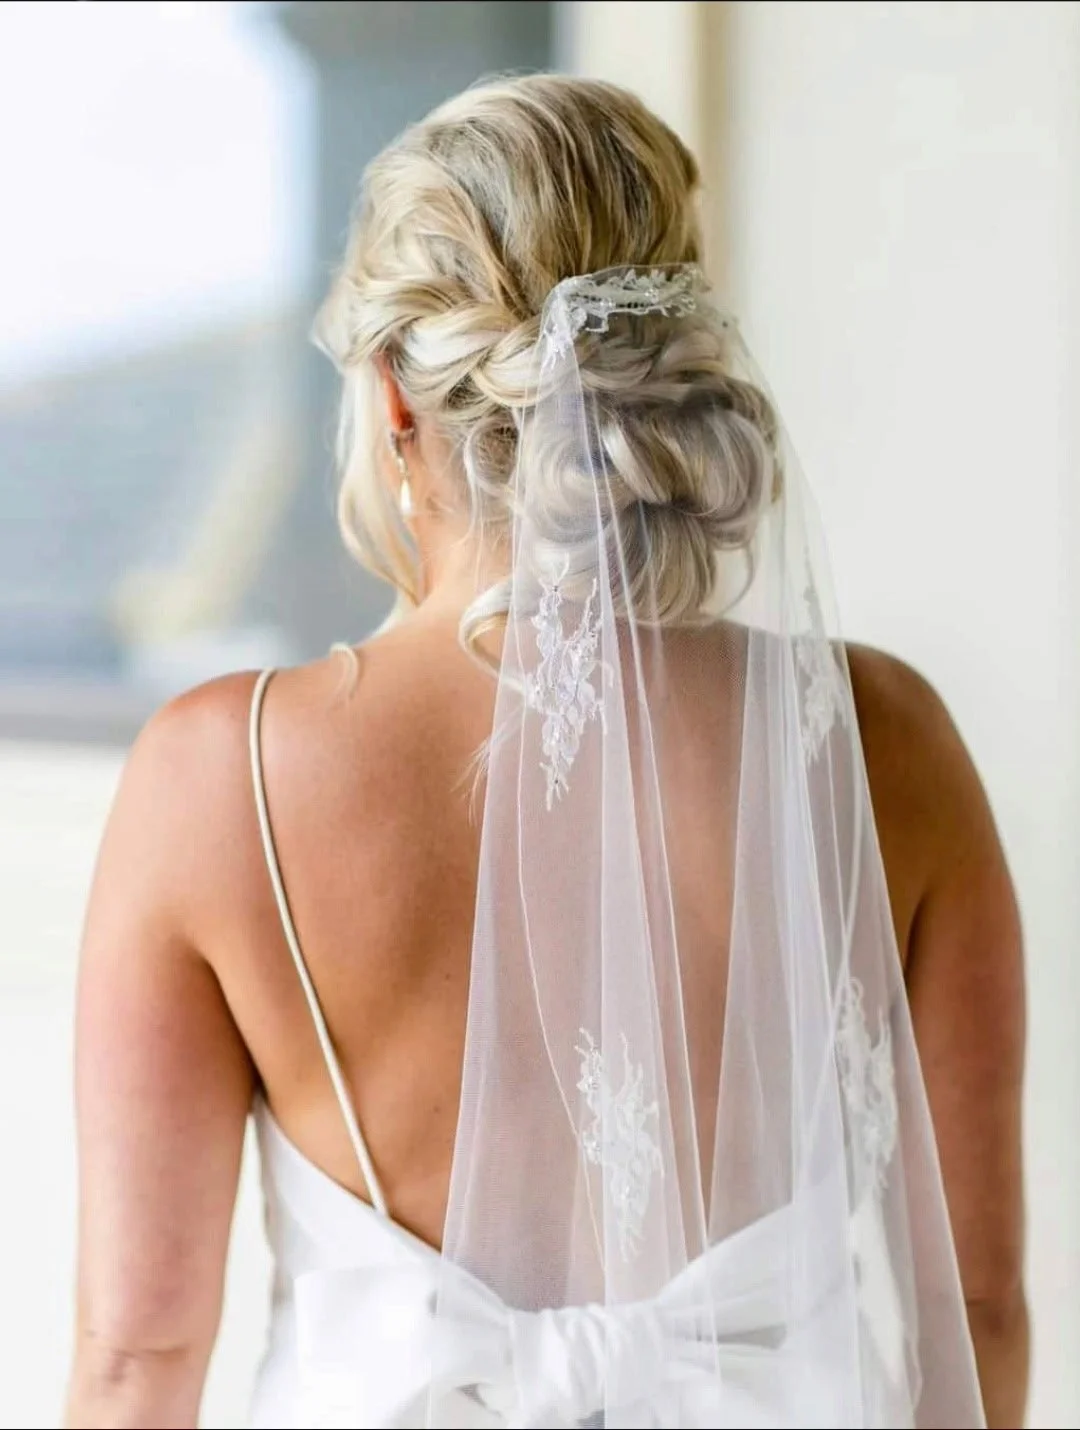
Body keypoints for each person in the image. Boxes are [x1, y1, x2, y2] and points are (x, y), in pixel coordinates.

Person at [65, 76, 1026, 1429]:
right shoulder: (893, 748)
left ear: (395, 403)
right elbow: (970, 1314)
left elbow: (136, 1354)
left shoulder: (219, 779)